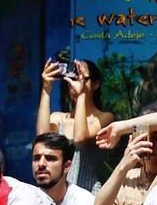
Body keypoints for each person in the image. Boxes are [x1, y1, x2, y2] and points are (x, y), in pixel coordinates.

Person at [37, 57, 115, 191]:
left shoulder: (104, 118)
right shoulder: (58, 117)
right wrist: (46, 89)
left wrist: (81, 95)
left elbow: (80, 138)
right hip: (59, 196)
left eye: (82, 78)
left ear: (96, 84)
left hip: (89, 195)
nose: (76, 82)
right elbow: (42, 140)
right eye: (73, 77)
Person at [31, 133, 99, 205]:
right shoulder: (24, 202)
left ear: (67, 166)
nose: (41, 164)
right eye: (36, 158)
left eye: (50, 158)